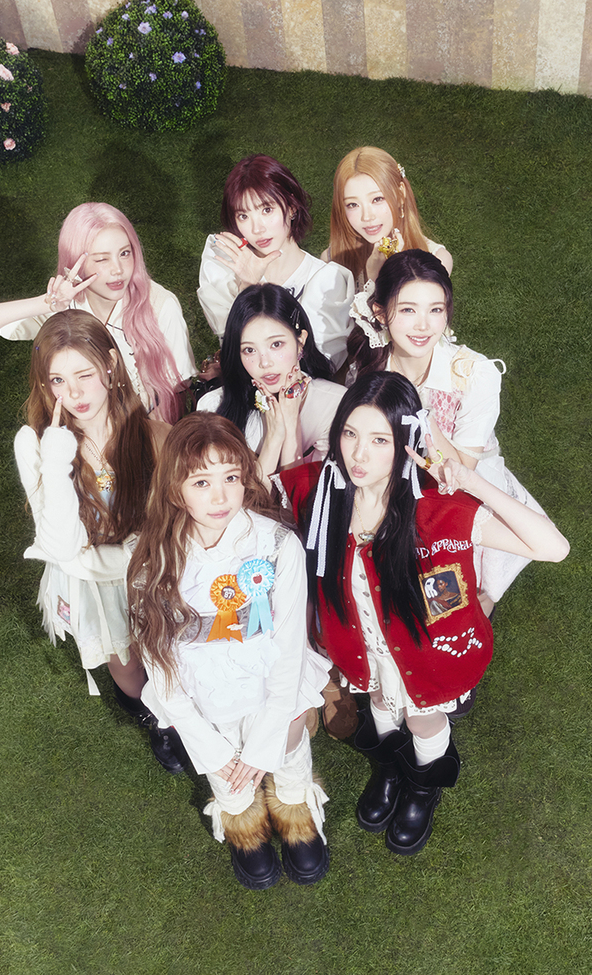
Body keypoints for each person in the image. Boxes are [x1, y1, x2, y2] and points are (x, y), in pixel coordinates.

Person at [277, 372, 568, 856]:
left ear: (407, 443)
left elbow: (553, 548)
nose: (358, 455)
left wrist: (471, 481)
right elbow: (288, 477)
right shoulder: (324, 493)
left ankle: (422, 784)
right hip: (364, 651)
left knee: (421, 720)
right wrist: (286, 422)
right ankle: (391, 769)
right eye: (349, 434)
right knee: (379, 703)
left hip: (426, 656)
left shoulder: (439, 511)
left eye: (379, 440)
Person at [127, 413, 331, 888]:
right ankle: (242, 823)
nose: (220, 497)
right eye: (202, 482)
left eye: (231, 478)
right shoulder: (149, 559)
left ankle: (296, 810)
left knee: (289, 752)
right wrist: (211, 750)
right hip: (204, 696)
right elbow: (161, 665)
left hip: (272, 688)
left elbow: (289, 650)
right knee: (228, 773)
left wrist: (263, 744)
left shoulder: (277, 545)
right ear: (174, 489)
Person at [14, 310, 188, 773]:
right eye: (58, 380)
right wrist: (56, 459)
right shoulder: (36, 446)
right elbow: (62, 545)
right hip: (92, 582)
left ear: (110, 365)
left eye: (85, 375)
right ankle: (157, 721)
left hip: (153, 570)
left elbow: (177, 525)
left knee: (171, 652)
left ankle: (182, 714)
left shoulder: (154, 435)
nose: (73, 394)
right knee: (125, 663)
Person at [349, 248, 543, 615]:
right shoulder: (369, 367)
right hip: (391, 482)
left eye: (435, 310)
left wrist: (418, 409)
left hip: (462, 488)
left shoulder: (474, 373)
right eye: (408, 310)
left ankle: (465, 618)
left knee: (450, 606)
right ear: (380, 313)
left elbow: (459, 472)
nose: (424, 326)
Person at [0, 202, 196, 423]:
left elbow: (175, 390)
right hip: (81, 430)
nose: (118, 270)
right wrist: (46, 304)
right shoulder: (66, 308)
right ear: (75, 263)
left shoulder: (160, 305)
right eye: (102, 259)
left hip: (144, 430)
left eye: (125, 253)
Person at [197, 154, 354, 370]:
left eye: (267, 210)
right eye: (243, 216)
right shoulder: (227, 269)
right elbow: (234, 356)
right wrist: (246, 287)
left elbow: (317, 370)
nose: (257, 228)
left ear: (292, 207)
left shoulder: (326, 281)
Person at [198, 284, 346, 481]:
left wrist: (291, 427)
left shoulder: (336, 405)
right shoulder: (213, 406)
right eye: (249, 350)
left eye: (276, 344)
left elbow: (304, 498)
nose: (264, 363)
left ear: (300, 341)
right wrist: (273, 439)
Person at [323, 146, 452, 292]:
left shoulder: (437, 260)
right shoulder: (331, 260)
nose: (367, 216)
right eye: (352, 204)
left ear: (400, 195)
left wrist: (382, 276)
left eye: (377, 199)